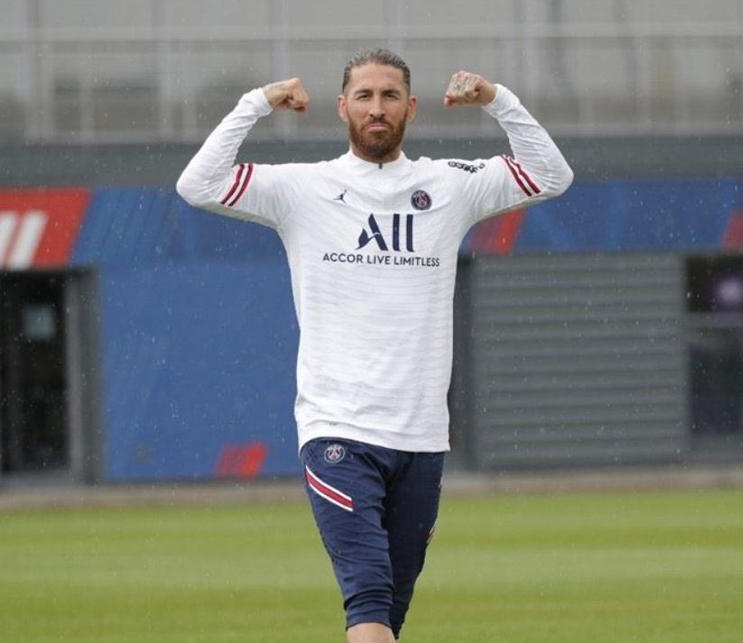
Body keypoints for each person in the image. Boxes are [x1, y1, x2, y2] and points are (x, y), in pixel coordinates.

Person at [176, 48, 572, 643]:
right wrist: (257, 104)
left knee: (390, 615)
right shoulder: (302, 189)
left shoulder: (449, 184)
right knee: (368, 602)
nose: (377, 108)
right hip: (339, 430)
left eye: (389, 96)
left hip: (420, 439)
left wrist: (498, 101)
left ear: (410, 107)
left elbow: (551, 175)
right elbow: (197, 184)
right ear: (342, 108)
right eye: (364, 96)